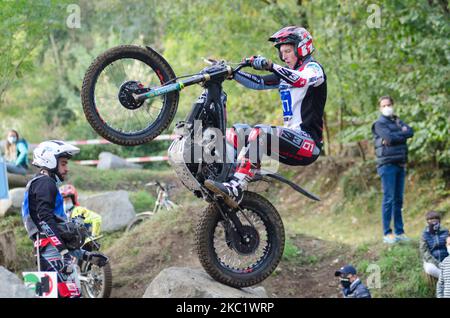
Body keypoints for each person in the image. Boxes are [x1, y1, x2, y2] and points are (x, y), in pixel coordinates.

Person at [205, 26, 326, 206]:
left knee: (261, 132)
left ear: (302, 48)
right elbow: (259, 83)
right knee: (235, 133)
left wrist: (271, 65)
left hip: (309, 144)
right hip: (290, 140)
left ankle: (236, 187)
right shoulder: (286, 74)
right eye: (281, 52)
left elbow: (299, 80)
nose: (283, 56)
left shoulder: (314, 70)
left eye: (287, 51)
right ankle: (226, 178)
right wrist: (232, 72)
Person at [21, 140, 108, 298]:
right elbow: (44, 221)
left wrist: (85, 256)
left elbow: (48, 228)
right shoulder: (45, 183)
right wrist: (63, 252)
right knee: (71, 296)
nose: (66, 169)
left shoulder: (39, 182)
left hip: (46, 251)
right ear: (50, 160)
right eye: (63, 163)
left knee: (52, 296)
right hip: (51, 253)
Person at [372, 96, 414, 244]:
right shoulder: (378, 124)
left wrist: (396, 136)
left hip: (400, 164)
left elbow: (410, 132)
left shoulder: (396, 120)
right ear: (380, 108)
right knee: (389, 199)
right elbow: (388, 137)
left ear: (393, 105)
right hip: (387, 165)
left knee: (398, 200)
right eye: (384, 105)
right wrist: (400, 134)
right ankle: (387, 233)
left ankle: (400, 231)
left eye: (389, 104)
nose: (387, 107)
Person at [420, 210, 449, 279]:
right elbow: (424, 252)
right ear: (427, 221)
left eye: (436, 219)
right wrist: (437, 263)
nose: (433, 221)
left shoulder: (445, 232)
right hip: (432, 262)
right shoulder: (424, 234)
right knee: (429, 268)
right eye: (430, 220)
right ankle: (446, 278)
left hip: (446, 260)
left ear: (439, 220)